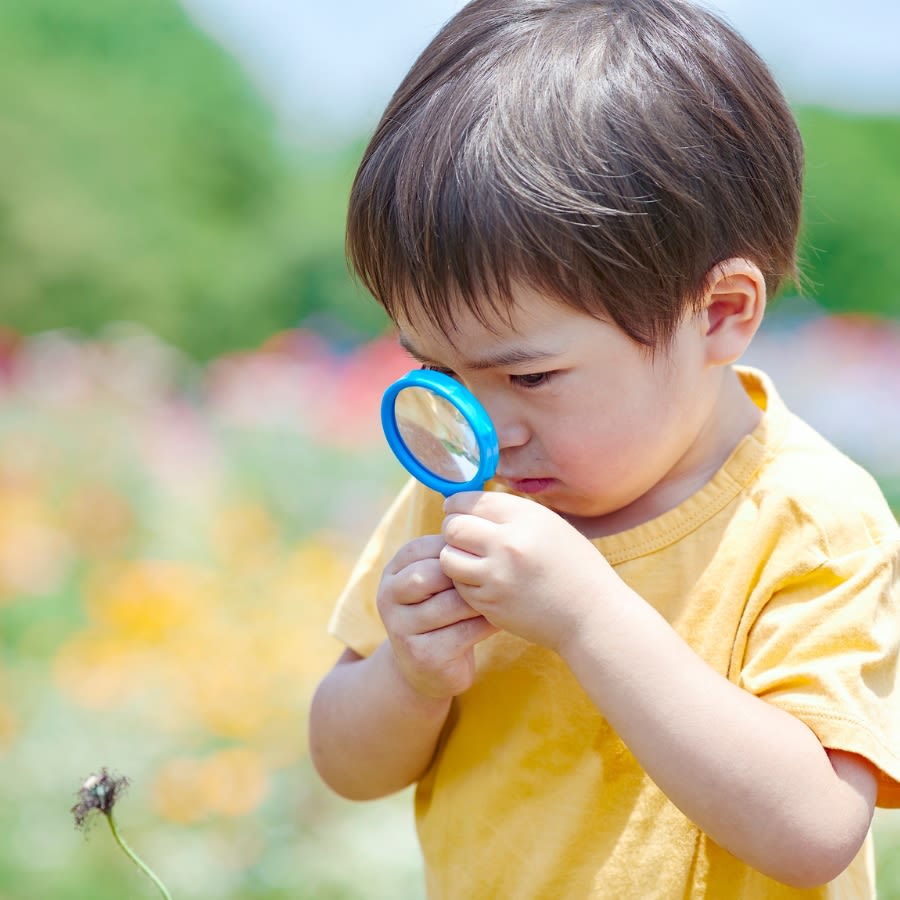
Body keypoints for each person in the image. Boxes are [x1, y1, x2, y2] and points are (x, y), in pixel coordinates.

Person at [308, 1, 900, 896]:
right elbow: (347, 764)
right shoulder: (466, 492)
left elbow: (815, 829)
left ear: (721, 313)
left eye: (532, 378)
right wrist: (410, 673)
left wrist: (588, 616)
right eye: (439, 369)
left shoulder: (808, 519)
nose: (483, 425)